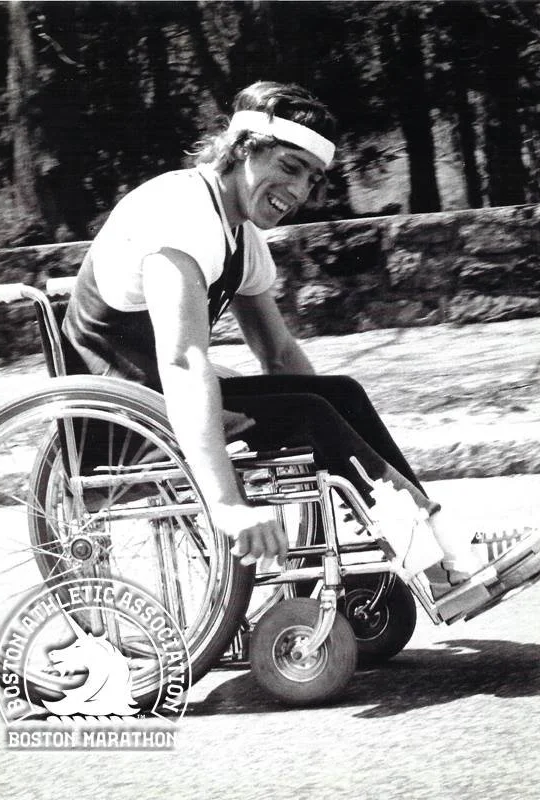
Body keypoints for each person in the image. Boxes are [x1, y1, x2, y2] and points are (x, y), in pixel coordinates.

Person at [62, 80, 490, 596]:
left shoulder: (237, 232)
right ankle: (437, 558)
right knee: (311, 415)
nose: (300, 191)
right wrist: (226, 503)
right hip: (118, 421)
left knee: (337, 393)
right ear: (241, 150)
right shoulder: (181, 214)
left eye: (312, 177)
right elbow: (181, 360)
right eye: (289, 167)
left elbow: (279, 352)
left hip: (159, 398)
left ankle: (432, 545)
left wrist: (333, 433)